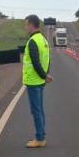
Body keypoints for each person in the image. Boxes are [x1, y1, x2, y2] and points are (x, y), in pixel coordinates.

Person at [22, 14, 52, 148]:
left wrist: (44, 75)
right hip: (40, 80)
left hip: (34, 81)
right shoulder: (43, 40)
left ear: (31, 25)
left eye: (26, 24)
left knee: (36, 110)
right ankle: (41, 135)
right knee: (39, 109)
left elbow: (35, 62)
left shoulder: (33, 41)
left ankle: (40, 138)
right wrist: (46, 75)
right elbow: (47, 59)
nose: (25, 27)